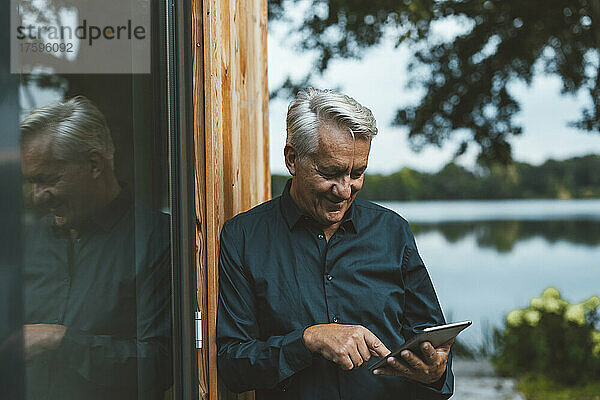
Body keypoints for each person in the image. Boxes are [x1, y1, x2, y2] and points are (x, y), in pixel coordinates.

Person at [217, 88, 454, 399]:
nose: (344, 190)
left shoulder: (393, 231)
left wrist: (436, 374)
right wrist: (306, 341)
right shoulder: (244, 237)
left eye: (357, 173)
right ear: (292, 159)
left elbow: (433, 345)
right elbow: (233, 364)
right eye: (330, 173)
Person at [20, 96, 171, 399]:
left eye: (49, 180)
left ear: (94, 164)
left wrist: (60, 340)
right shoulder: (29, 241)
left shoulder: (158, 240)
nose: (37, 197)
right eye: (30, 183)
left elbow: (161, 364)